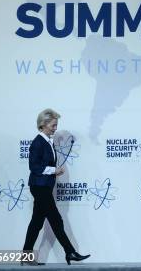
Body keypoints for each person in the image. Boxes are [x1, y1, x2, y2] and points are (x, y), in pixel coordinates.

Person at [22, 108, 90, 266]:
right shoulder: (38, 142)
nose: (55, 128)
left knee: (37, 222)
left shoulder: (47, 141)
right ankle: (70, 252)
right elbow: (34, 167)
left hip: (44, 186)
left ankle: (26, 256)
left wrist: (53, 173)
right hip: (39, 187)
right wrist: (54, 170)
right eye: (53, 125)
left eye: (56, 125)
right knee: (55, 219)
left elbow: (43, 166)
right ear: (43, 124)